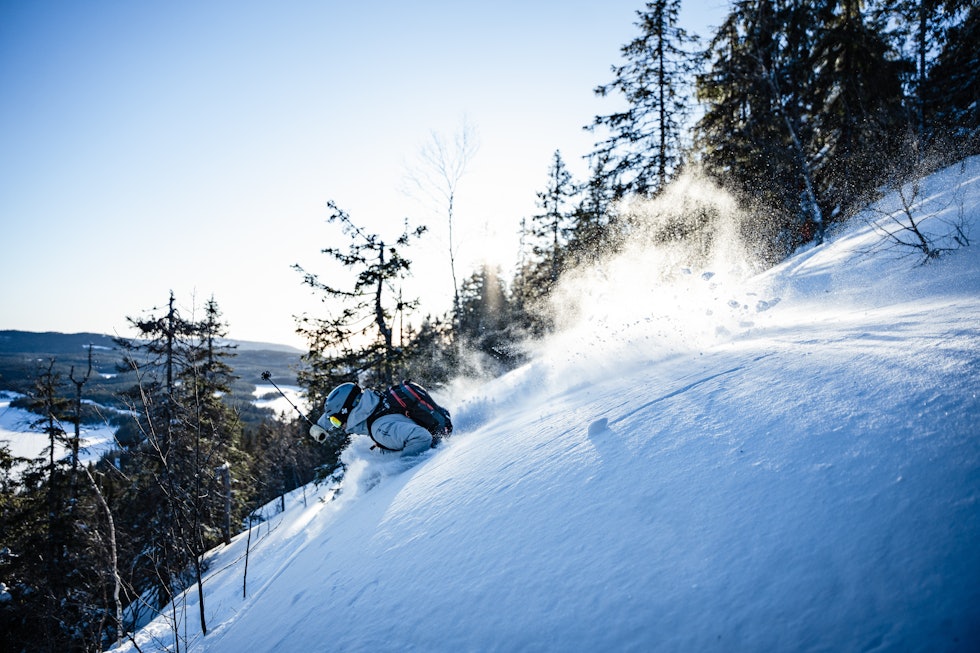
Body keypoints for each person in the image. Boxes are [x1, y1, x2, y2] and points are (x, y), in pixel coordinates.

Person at [309, 382, 433, 456]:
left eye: (336, 422)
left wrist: (402, 467)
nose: (339, 426)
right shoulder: (373, 403)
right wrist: (320, 426)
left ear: (347, 413)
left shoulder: (379, 429)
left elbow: (421, 437)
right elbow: (341, 408)